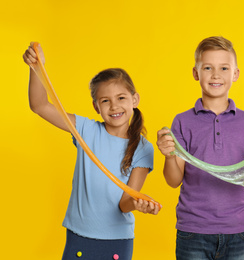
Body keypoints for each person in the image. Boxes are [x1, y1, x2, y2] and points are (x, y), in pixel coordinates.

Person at [23, 43, 160, 260]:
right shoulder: (86, 130)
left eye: (121, 98)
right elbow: (39, 105)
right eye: (105, 101)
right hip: (79, 235)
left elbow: (125, 202)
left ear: (134, 100)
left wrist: (138, 203)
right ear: (96, 107)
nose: (114, 106)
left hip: (117, 240)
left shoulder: (143, 149)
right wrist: (36, 67)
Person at [156, 36, 244, 260]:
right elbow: (173, 180)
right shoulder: (182, 121)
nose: (216, 75)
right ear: (196, 74)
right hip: (193, 231)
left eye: (224, 68)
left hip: (238, 232)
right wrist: (168, 156)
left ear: (235, 74)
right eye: (208, 68)